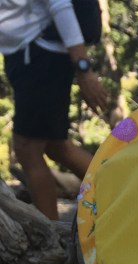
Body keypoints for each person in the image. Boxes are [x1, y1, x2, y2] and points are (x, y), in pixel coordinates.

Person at [1, 0, 109, 219]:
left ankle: (50, 232)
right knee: (56, 146)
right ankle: (127, 195)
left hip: (41, 55)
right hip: (24, 54)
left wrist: (84, 69)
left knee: (27, 148)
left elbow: (60, 5)